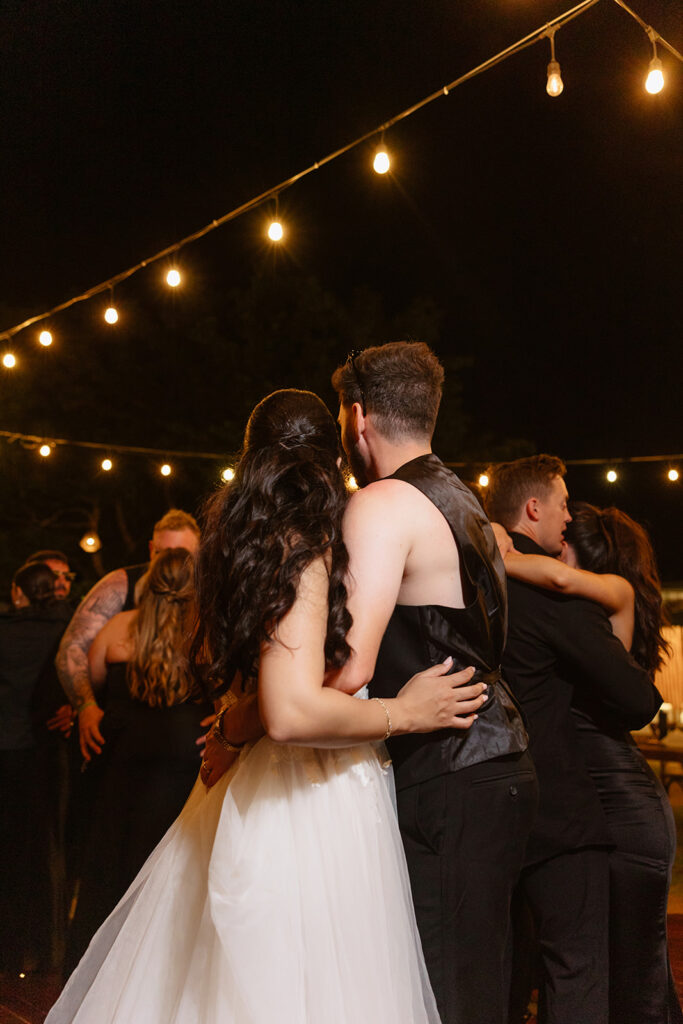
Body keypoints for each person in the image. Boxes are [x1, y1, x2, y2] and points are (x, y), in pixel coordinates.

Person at [47, 388, 484, 1024]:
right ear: (332, 458)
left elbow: (258, 696)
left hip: (254, 777)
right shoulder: (300, 547)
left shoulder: (240, 547)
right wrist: (405, 712)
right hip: (308, 791)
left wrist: (231, 723)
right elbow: (291, 712)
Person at [308, 341, 535, 1024]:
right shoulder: (458, 497)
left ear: (356, 419)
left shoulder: (381, 503)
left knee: (443, 990)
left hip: (449, 769)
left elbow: (350, 666)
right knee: (475, 981)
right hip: (495, 761)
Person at [483, 455, 662, 1024]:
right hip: (560, 810)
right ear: (533, 508)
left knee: (500, 972)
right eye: (561, 503)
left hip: (478, 807)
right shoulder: (556, 594)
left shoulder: (463, 577)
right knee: (578, 968)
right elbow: (635, 701)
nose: (566, 516)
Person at [64, 548, 213, 976]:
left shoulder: (115, 628)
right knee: (170, 872)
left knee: (110, 868)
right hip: (184, 763)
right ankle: (157, 975)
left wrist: (92, 707)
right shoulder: (205, 631)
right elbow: (230, 683)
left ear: (148, 584)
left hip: (122, 765)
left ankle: (98, 973)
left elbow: (91, 677)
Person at [56, 508, 201, 761]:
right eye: (162, 553)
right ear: (150, 549)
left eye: (181, 555)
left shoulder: (213, 594)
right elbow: (72, 647)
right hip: (122, 739)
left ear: (199, 553)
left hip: (190, 745)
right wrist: (86, 705)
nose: (170, 563)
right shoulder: (120, 583)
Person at [0, 562, 72, 972]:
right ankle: (44, 951)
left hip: (5, 750)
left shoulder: (6, 630)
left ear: (18, 593)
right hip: (44, 753)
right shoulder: (66, 631)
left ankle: (7, 951)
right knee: (45, 850)